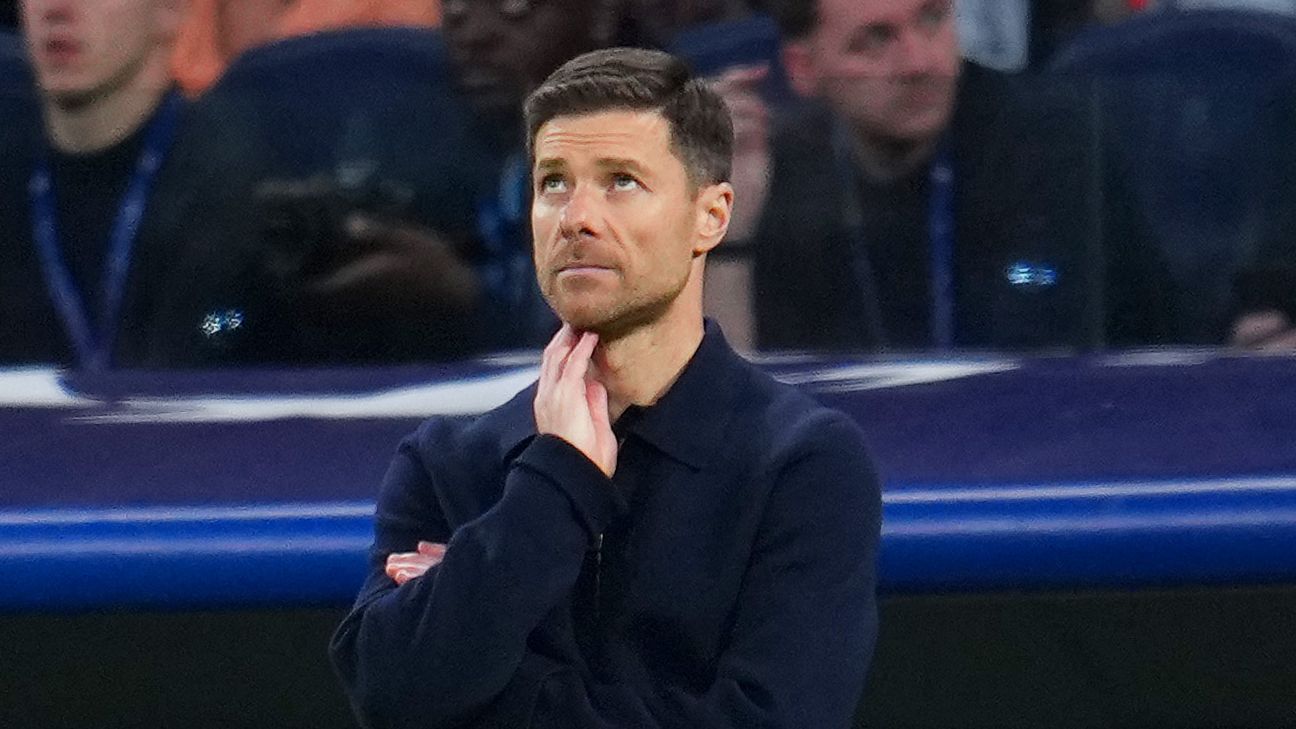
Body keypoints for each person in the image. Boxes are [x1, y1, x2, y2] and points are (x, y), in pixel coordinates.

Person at [330, 47, 882, 728]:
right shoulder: (447, 463)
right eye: (554, 183)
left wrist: (492, 676)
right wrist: (552, 483)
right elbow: (391, 697)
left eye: (621, 181)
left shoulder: (802, 464)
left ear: (711, 216)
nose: (577, 218)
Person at [750, 0, 1167, 352]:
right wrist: (732, 240)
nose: (919, 63)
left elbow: (1047, 362)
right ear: (803, 68)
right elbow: (748, 396)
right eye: (876, 39)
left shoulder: (1049, 141)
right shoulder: (784, 172)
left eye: (932, 19)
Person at [0, 0, 245, 367]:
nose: (57, 8)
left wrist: (205, 335)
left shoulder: (237, 186)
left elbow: (235, 322)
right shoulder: (11, 179)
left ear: (171, 9)